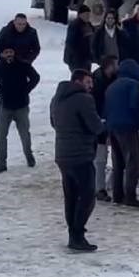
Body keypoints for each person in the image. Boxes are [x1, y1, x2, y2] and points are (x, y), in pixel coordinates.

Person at [50, 69, 106, 252]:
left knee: (71, 196)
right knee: (88, 196)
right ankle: (78, 235)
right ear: (78, 81)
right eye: (88, 82)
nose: (91, 86)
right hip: (80, 154)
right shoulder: (84, 99)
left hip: (63, 154)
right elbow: (95, 126)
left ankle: (73, 235)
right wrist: (104, 125)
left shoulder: (57, 98)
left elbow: (53, 122)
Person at [0, 47, 41, 173]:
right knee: (1, 137)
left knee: (25, 134)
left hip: (21, 106)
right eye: (6, 53)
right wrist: (0, 93)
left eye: (11, 52)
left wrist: (26, 90)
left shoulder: (23, 65)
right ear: (2, 54)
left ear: (14, 53)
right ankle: (1, 164)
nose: (9, 55)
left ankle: (29, 157)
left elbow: (35, 77)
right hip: (5, 106)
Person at [104, 59, 139, 207]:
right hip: (128, 127)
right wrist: (138, 122)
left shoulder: (111, 86)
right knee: (132, 162)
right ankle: (130, 196)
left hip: (112, 128)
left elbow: (106, 109)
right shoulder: (132, 85)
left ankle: (117, 195)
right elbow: (136, 105)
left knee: (118, 162)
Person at [91, 55, 119, 202]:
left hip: (104, 122)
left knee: (100, 156)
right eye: (115, 64)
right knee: (100, 157)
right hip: (100, 124)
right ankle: (99, 188)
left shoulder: (100, 79)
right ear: (109, 67)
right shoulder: (98, 83)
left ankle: (98, 186)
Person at [63, 5, 95, 72]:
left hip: (87, 58)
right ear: (80, 14)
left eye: (89, 14)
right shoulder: (75, 25)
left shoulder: (89, 25)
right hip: (76, 59)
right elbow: (70, 43)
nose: (88, 16)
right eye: (86, 14)